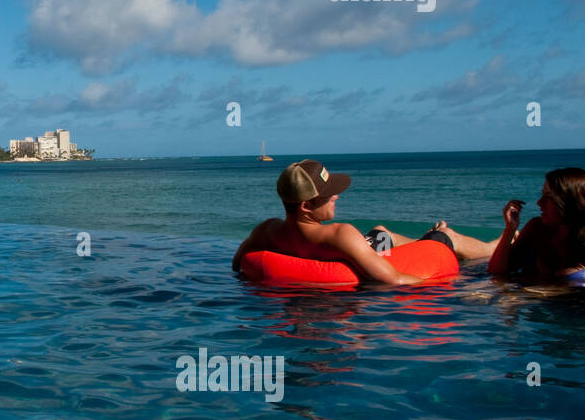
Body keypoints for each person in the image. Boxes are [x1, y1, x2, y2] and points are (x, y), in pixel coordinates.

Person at [232, 159, 445, 285]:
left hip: (351, 249)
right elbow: (393, 280)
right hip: (360, 251)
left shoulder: (267, 230)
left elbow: (237, 264)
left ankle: (423, 239)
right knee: (445, 237)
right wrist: (451, 285)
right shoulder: (339, 234)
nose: (336, 197)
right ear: (306, 206)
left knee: (381, 232)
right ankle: (434, 238)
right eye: (329, 194)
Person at [486, 168, 585, 283]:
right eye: (542, 195)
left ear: (570, 202)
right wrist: (510, 229)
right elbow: (496, 271)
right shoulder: (537, 228)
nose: (539, 203)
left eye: (548, 198)